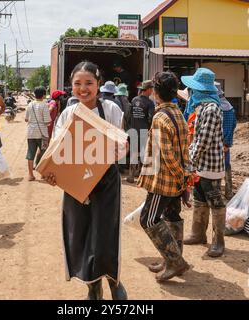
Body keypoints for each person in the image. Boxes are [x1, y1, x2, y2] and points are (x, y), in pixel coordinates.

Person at [43, 61, 128, 300]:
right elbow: (55, 150)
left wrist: (118, 149)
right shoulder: (67, 114)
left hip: (106, 181)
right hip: (75, 183)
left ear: (98, 84)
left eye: (89, 83)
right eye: (77, 84)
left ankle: (114, 281)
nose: (83, 88)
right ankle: (92, 286)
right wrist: (53, 174)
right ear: (71, 87)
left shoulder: (111, 110)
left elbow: (121, 146)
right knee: (79, 232)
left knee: (106, 233)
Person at [137, 72, 190, 282]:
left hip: (164, 180)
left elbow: (166, 154)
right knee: (171, 216)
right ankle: (171, 260)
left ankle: (175, 261)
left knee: (148, 219)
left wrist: (179, 177)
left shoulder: (160, 117)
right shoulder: (178, 113)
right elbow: (183, 148)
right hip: (177, 178)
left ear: (156, 93)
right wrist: (184, 177)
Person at [181, 68, 227, 258]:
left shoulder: (210, 109)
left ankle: (218, 241)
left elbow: (203, 141)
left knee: (215, 202)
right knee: (200, 199)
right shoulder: (202, 108)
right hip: (202, 165)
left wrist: (189, 160)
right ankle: (198, 233)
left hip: (210, 165)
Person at [126, 80, 155, 183]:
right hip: (144, 131)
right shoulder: (150, 103)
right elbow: (151, 118)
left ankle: (131, 176)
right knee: (143, 153)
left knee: (134, 153)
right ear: (148, 89)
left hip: (134, 130)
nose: (152, 91)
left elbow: (128, 116)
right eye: (152, 89)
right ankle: (140, 176)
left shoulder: (134, 100)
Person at [214, 83, 237, 200]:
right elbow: (233, 125)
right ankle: (228, 191)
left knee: (216, 168)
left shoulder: (215, 108)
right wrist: (227, 143)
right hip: (225, 144)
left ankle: (216, 192)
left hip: (214, 143)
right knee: (226, 166)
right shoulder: (230, 107)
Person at [25, 86, 51, 181]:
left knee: (30, 154)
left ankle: (30, 175)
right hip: (42, 133)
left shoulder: (30, 104)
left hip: (31, 133)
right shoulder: (44, 105)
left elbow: (26, 119)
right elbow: (47, 121)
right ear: (43, 95)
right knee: (44, 153)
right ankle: (42, 174)